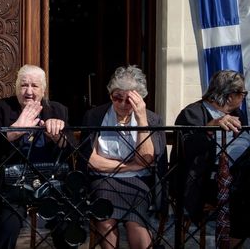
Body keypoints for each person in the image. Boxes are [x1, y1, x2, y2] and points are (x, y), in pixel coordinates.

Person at [0, 64, 75, 249]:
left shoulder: (58, 110)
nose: (29, 91)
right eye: (24, 85)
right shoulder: (3, 107)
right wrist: (15, 130)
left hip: (51, 183)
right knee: (6, 227)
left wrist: (58, 137)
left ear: (44, 89)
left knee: (65, 227)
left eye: (35, 86)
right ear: (16, 87)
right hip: (13, 185)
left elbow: (72, 148)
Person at [79, 65, 166, 249]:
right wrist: (131, 166)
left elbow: (146, 159)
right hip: (103, 181)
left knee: (136, 224)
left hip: (137, 183)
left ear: (140, 99)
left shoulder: (152, 119)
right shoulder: (94, 116)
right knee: (104, 219)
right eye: (117, 97)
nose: (121, 104)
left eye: (129, 101)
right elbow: (91, 161)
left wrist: (141, 119)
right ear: (111, 94)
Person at [172, 70, 250, 247]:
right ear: (230, 96)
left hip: (239, 175)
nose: (244, 97)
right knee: (245, 193)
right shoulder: (192, 113)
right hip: (207, 181)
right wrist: (210, 126)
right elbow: (188, 150)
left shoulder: (239, 114)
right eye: (242, 93)